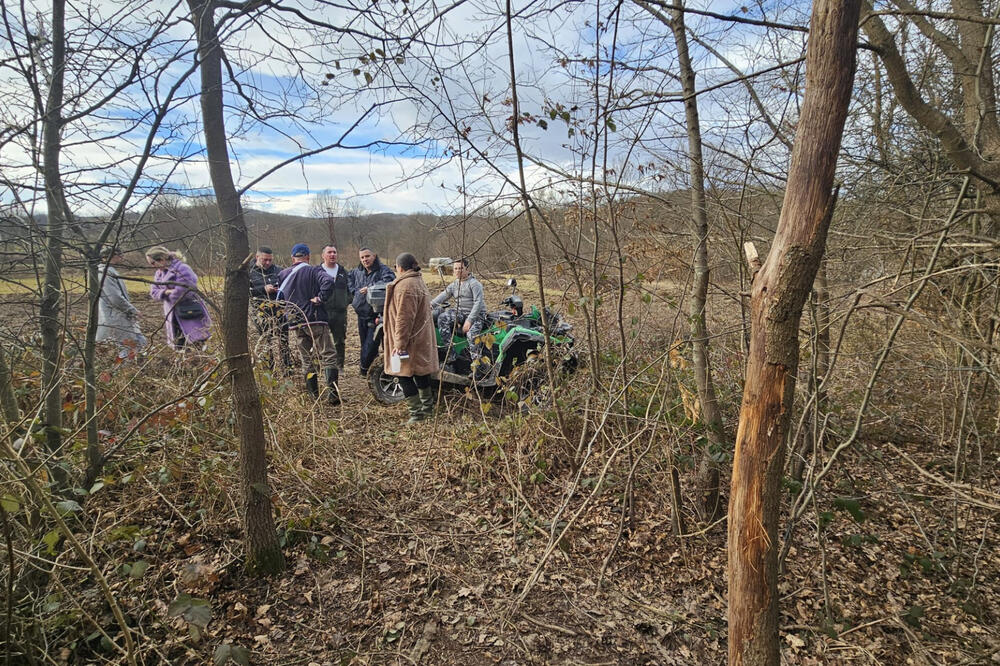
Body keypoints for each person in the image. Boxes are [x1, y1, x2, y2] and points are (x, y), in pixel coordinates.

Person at [277, 243, 342, 405]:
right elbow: (328, 282)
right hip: (315, 319)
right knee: (328, 355)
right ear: (308, 256)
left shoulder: (283, 274)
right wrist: (320, 298)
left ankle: (313, 397)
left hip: (295, 322)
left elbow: (279, 299)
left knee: (306, 359)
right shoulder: (314, 270)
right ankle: (333, 396)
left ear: (293, 258)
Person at [383, 253, 439, 422]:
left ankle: (416, 414)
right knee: (421, 374)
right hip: (420, 339)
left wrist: (399, 343)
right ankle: (427, 411)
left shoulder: (405, 286)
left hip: (409, 342)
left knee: (402, 374)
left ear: (399, 267)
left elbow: (404, 318)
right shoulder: (418, 281)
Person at [146, 246, 212, 351]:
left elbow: (185, 290)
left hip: (189, 310)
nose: (153, 266)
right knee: (178, 343)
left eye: (153, 263)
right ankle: (185, 363)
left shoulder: (182, 268)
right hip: (172, 314)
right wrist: (167, 291)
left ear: (162, 259)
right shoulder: (158, 274)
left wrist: (167, 294)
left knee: (196, 341)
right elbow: (154, 292)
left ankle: (199, 362)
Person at [348, 247, 395, 376]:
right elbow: (349, 279)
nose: (365, 259)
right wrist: (354, 293)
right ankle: (368, 372)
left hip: (378, 314)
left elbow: (390, 282)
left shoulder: (383, 270)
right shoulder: (357, 271)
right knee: (365, 344)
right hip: (361, 313)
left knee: (372, 344)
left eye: (367, 256)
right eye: (362, 257)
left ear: (374, 256)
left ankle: (373, 371)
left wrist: (371, 288)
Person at [431, 257, 486, 366]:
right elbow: (444, 295)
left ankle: (478, 366)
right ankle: (451, 355)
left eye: (460, 268)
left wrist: (470, 320)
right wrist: (431, 305)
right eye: (455, 268)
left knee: (471, 335)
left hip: (476, 315)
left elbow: (478, 303)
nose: (457, 271)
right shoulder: (455, 284)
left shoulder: (474, 284)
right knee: (442, 318)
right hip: (460, 313)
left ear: (467, 269)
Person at [96, 247, 147, 360]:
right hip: (115, 316)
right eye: (118, 254)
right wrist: (132, 310)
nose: (121, 257)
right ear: (109, 256)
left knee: (139, 342)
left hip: (119, 315)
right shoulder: (104, 272)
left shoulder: (110, 270)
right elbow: (114, 298)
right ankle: (125, 371)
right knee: (128, 346)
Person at [249, 246, 293, 370]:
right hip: (261, 312)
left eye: (270, 260)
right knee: (265, 342)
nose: (268, 263)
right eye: (265, 260)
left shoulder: (279, 270)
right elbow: (246, 292)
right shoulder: (249, 272)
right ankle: (269, 370)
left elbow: (288, 285)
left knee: (284, 340)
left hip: (279, 310)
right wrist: (263, 289)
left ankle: (287, 368)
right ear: (257, 257)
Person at [320, 245, 350, 370]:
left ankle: (339, 366)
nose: (332, 255)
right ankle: (324, 365)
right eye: (329, 252)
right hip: (323, 311)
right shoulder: (318, 272)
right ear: (323, 255)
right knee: (321, 340)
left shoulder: (343, 272)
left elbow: (351, 290)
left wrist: (346, 301)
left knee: (340, 341)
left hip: (340, 313)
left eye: (334, 252)